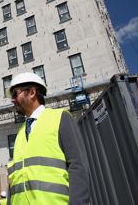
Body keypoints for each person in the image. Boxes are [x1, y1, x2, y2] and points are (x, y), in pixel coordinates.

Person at [6, 72, 90, 204]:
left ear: (32, 92)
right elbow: (14, 179)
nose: (13, 100)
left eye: (16, 94)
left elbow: (78, 166)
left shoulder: (60, 118)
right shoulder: (19, 135)